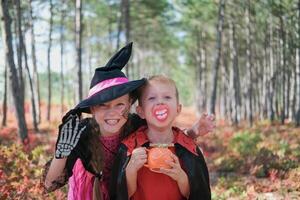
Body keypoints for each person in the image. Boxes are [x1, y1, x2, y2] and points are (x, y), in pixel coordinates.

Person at [42, 43, 214, 200]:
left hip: (125, 189)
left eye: (120, 104)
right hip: (95, 191)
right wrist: (61, 154)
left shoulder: (135, 123)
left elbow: (164, 134)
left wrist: (194, 132)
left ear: (130, 104)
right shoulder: (82, 134)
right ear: (92, 109)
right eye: (103, 105)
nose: (113, 113)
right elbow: (50, 184)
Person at [110, 75, 211, 200]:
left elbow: (198, 193)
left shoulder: (188, 148)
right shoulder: (130, 147)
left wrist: (181, 177)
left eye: (167, 97)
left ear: (178, 109)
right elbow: (120, 194)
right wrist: (130, 170)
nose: (160, 102)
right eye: (152, 98)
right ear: (141, 111)